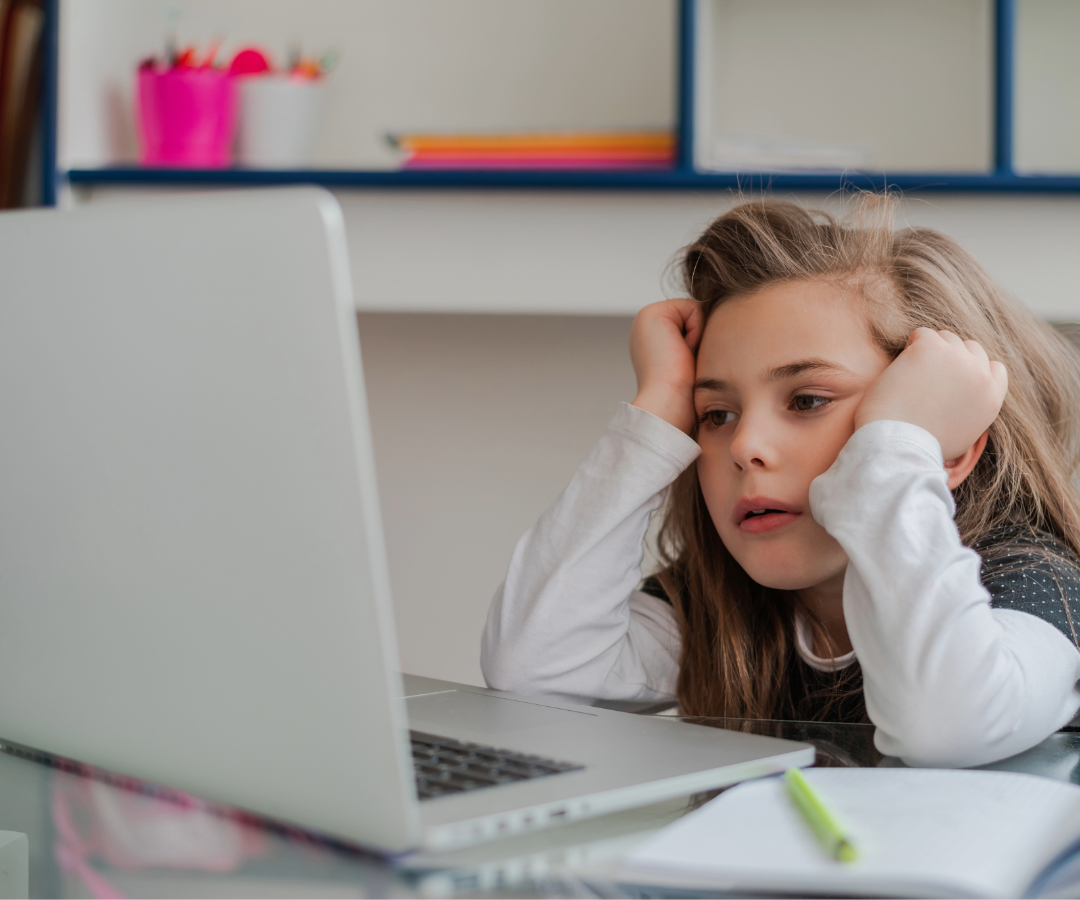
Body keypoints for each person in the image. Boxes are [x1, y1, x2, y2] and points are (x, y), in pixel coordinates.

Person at [480, 196, 1080, 768]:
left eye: (808, 399)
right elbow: (534, 675)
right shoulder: (722, 601)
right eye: (716, 414)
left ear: (943, 448)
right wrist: (659, 408)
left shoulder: (1034, 580)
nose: (743, 447)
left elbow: (947, 723)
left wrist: (898, 450)